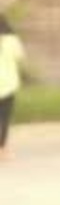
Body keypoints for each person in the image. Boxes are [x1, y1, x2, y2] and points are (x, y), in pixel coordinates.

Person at [0, 14, 26, 160]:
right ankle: (2, 150)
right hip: (8, 83)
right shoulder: (12, 41)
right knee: (4, 117)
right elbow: (20, 56)